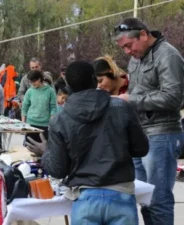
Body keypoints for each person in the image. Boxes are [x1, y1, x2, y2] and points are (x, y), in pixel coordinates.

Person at [27, 61, 149, 225]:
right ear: (94, 79)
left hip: (85, 199)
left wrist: (46, 151)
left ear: (68, 86)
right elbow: (141, 148)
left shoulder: (60, 120)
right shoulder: (121, 107)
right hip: (120, 195)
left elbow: (57, 170)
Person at [114, 17, 184, 225]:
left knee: (158, 198)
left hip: (162, 134)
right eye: (123, 47)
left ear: (143, 35)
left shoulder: (168, 55)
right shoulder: (136, 59)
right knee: (144, 198)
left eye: (129, 45)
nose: (127, 51)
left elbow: (174, 98)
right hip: (140, 135)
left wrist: (130, 99)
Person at [21, 70, 57, 143]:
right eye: (31, 82)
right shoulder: (30, 91)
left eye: (34, 81)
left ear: (39, 79)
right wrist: (23, 123)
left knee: (44, 149)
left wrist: (51, 122)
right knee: (30, 148)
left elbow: (53, 108)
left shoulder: (50, 91)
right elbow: (24, 107)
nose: (32, 84)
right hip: (31, 124)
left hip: (45, 125)